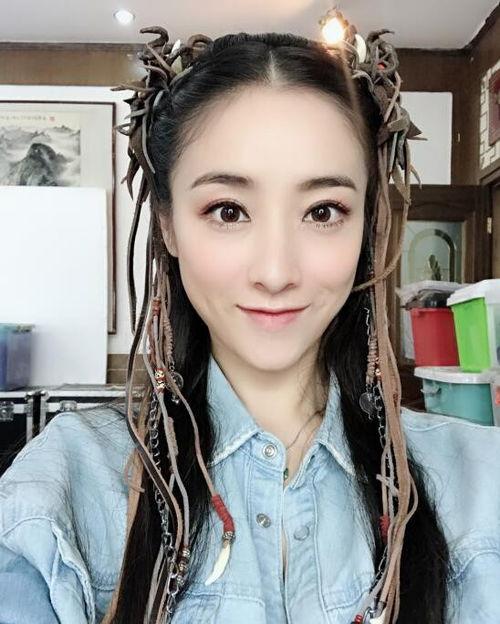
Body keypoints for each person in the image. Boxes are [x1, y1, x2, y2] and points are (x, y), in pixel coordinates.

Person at [1, 24, 500, 624]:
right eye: (229, 210)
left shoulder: (478, 484)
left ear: (367, 226)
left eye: (323, 211)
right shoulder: (64, 489)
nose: (275, 271)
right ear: (168, 225)